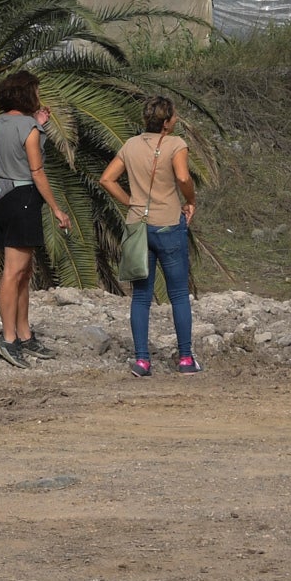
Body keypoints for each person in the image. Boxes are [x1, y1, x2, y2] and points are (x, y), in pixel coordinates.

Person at [100, 96, 200, 377]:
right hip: (168, 223)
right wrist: (191, 199)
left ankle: (142, 360)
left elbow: (107, 178)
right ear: (167, 123)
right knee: (178, 294)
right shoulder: (176, 144)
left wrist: (130, 201)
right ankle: (185, 359)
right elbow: (182, 178)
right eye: (175, 117)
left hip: (138, 226)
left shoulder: (131, 145)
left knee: (141, 296)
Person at [0, 71, 73, 368]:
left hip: (2, 197)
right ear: (27, 95)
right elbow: (36, 172)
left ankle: (24, 334)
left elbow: (15, 146)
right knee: (14, 271)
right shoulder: (29, 128)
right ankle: (9, 339)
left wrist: (37, 123)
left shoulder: (1, 123)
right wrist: (57, 209)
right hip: (23, 199)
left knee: (23, 270)